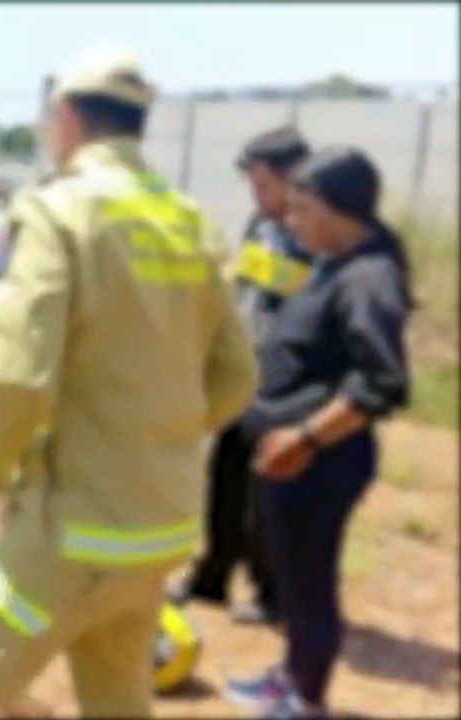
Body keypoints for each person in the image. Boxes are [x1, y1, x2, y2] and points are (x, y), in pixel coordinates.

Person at [0, 45, 260, 717]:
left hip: (69, 535)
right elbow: (237, 376)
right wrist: (152, 432)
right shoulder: (189, 220)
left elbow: (18, 374)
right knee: (117, 700)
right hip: (160, 528)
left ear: (63, 117)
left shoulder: (55, 213)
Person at [224, 147, 412, 719]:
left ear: (341, 209)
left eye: (302, 208)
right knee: (291, 576)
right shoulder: (333, 260)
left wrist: (303, 438)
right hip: (290, 457)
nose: (290, 219)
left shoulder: (369, 277)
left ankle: (306, 699)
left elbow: (381, 384)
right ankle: (289, 676)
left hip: (320, 459)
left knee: (310, 585)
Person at [169, 126, 313, 625]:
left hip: (290, 383)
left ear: (293, 179)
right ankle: (211, 578)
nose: (256, 195)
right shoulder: (261, 225)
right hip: (247, 373)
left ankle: (273, 592)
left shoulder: (317, 233)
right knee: (224, 477)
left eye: (263, 184)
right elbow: (249, 293)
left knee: (267, 492)